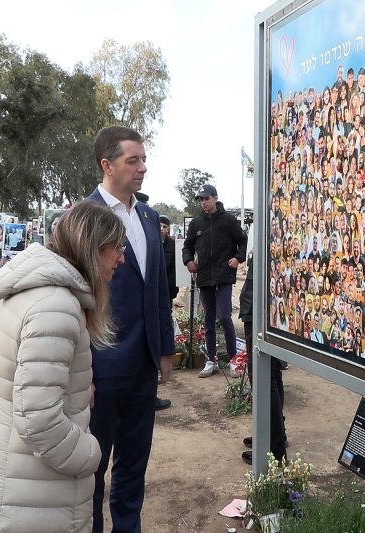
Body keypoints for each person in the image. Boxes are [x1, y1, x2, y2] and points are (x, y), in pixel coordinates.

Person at [0, 202, 125, 532]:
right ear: (92, 247)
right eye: (117, 247)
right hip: (30, 496)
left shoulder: (37, 294)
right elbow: (38, 421)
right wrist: (89, 454)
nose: (121, 258)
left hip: (14, 482)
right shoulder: (55, 308)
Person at [86, 126, 174, 533]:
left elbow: (158, 290)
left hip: (143, 365)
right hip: (100, 366)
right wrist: (81, 369)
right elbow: (74, 296)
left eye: (144, 160)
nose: (142, 168)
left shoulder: (149, 216)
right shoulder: (82, 218)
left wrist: (165, 349)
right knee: (92, 466)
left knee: (134, 462)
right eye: (132, 160)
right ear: (107, 165)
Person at [183, 184, 248, 377]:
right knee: (208, 319)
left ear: (215, 198)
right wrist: (188, 261)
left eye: (206, 198)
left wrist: (238, 258)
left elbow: (242, 240)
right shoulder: (196, 223)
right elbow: (187, 245)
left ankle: (234, 359)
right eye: (201, 200)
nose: (203, 203)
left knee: (225, 317)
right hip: (204, 277)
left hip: (224, 275)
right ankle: (211, 360)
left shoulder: (228, 220)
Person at [239, 253, 287, 465]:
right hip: (262, 310)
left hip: (261, 312)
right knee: (272, 376)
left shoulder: (270, 242)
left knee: (264, 378)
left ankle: (274, 449)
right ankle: (272, 435)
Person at [157, 215, 178, 411]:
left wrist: (172, 291)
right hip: (151, 293)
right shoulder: (151, 243)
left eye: (165, 226)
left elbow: (173, 271)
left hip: (167, 293)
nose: (162, 229)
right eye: (160, 226)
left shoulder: (172, 246)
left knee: (165, 325)